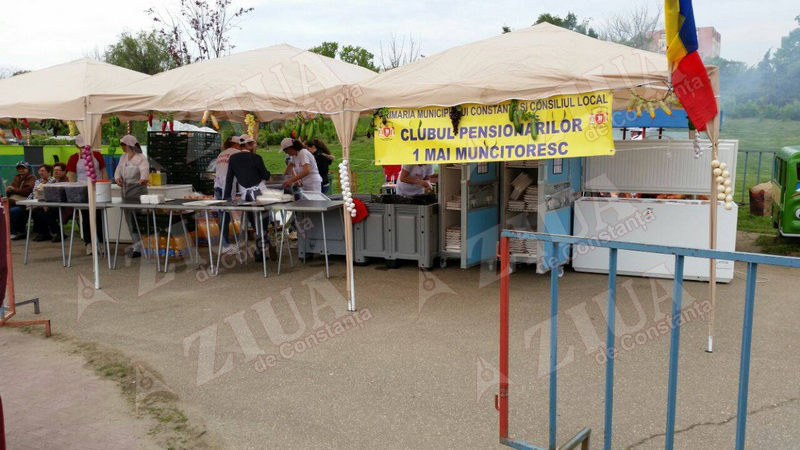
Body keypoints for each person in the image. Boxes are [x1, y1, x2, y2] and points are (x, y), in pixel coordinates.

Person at [223, 134, 273, 260]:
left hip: (246, 196)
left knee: (253, 222)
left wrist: (226, 198)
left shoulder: (233, 159)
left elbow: (229, 180)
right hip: (260, 194)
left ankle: (257, 251)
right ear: (249, 145)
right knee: (263, 223)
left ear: (240, 146)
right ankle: (260, 251)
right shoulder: (256, 158)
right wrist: (267, 174)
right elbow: (265, 175)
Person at [67, 135, 108, 255]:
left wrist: (105, 185)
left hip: (97, 188)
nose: (84, 148)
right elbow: (71, 176)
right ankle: (89, 243)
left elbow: (103, 172)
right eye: (82, 146)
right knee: (86, 217)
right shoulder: (74, 158)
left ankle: (101, 242)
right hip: (82, 189)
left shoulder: (98, 155)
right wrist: (73, 190)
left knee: (98, 216)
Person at [114, 135, 150, 257]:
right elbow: (118, 170)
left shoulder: (141, 158)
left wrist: (143, 179)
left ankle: (141, 246)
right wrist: (117, 178)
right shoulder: (123, 157)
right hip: (125, 192)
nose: (122, 147)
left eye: (123, 145)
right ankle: (136, 245)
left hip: (137, 192)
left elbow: (144, 171)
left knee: (137, 219)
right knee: (129, 219)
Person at [212, 136, 241, 247]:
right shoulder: (236, 153)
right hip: (227, 187)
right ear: (236, 144)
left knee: (222, 215)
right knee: (225, 216)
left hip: (218, 186)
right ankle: (225, 245)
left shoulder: (222, 154)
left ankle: (224, 243)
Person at [7, 161, 36, 240]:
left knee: (14, 211)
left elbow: (28, 191)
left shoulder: (31, 178)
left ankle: (15, 232)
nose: (21, 170)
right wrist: (9, 190)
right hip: (15, 202)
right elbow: (12, 189)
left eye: (23, 168)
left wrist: (14, 189)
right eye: (19, 168)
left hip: (25, 204)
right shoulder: (17, 177)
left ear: (28, 169)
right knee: (5, 210)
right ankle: (7, 232)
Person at [30, 164, 59, 242]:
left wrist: (44, 203)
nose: (40, 172)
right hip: (40, 203)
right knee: (36, 212)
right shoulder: (38, 181)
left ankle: (58, 233)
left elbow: (52, 194)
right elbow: (34, 193)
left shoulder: (53, 181)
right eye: (39, 171)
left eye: (43, 171)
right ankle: (44, 233)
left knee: (46, 213)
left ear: (49, 172)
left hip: (52, 204)